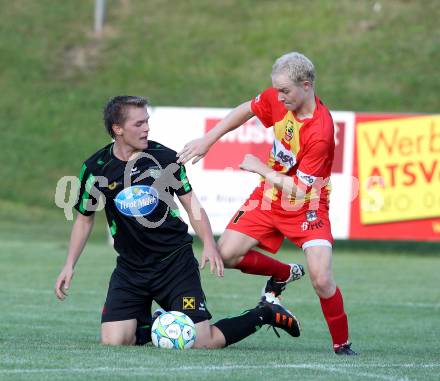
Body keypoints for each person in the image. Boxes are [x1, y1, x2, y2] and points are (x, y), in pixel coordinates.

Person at [54, 95, 301, 348]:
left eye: (147, 121)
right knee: (114, 341)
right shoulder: (96, 168)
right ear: (117, 129)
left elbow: (192, 204)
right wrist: (69, 265)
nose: (147, 128)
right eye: (138, 124)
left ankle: (265, 313)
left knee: (202, 341)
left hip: (174, 264)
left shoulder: (164, 158)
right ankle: (160, 322)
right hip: (131, 269)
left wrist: (208, 243)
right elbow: (84, 220)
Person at [177, 52, 357, 355]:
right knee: (227, 254)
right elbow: (246, 109)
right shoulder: (279, 99)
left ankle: (342, 345)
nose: (279, 96)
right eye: (277, 89)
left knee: (322, 278)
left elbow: (300, 190)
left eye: (285, 90)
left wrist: (261, 168)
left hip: (307, 205)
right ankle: (283, 273)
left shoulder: (321, 131)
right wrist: (209, 139)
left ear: (307, 85)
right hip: (267, 198)